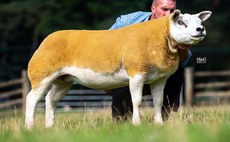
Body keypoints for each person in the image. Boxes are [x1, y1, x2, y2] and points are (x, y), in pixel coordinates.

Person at [106, 0, 192, 121]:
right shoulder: (128, 21)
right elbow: (105, 43)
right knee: (122, 120)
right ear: (153, 9)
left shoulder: (180, 24)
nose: (169, 14)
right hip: (128, 73)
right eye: (165, 9)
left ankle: (166, 116)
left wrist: (183, 49)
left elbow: (184, 61)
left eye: (172, 10)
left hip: (159, 74)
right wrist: (108, 76)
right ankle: (122, 117)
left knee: (177, 70)